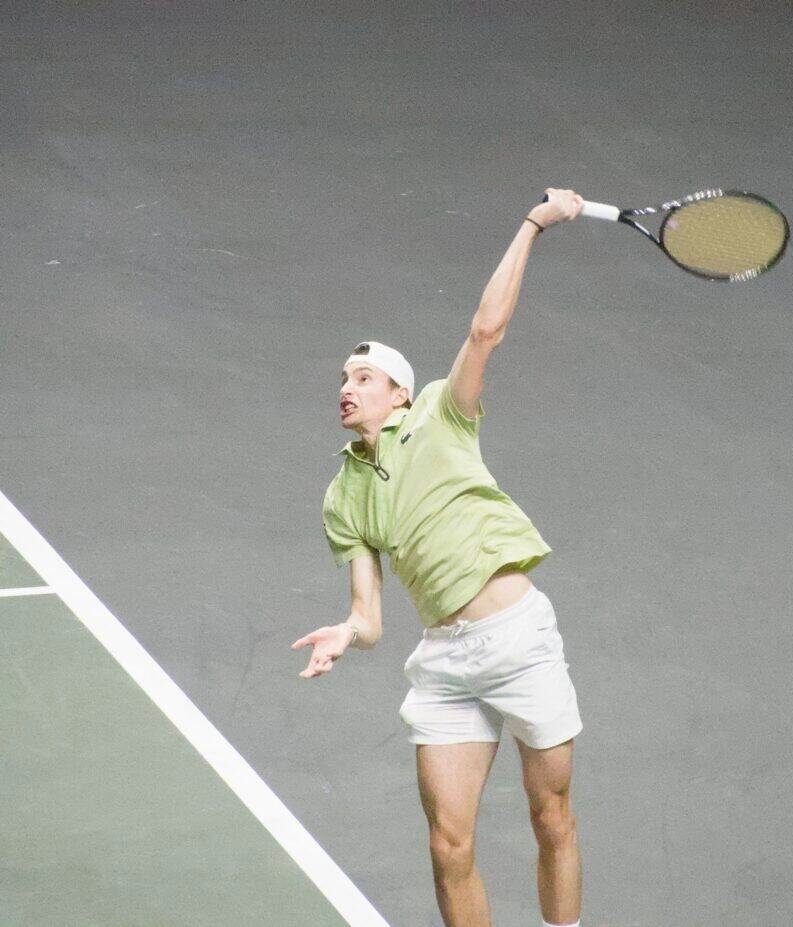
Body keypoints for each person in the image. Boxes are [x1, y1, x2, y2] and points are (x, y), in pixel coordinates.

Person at [292, 188, 585, 927]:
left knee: (551, 816)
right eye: (342, 380)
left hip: (518, 641)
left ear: (400, 394)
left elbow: (486, 328)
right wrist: (345, 633)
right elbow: (370, 616)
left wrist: (534, 224)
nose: (346, 389)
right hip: (446, 663)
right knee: (448, 846)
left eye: (363, 378)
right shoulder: (342, 495)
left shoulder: (443, 413)